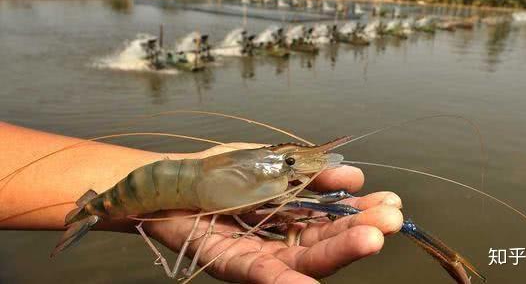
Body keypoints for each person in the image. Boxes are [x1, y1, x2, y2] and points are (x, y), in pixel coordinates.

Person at [0, 122, 404, 283]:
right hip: (146, 190)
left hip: (162, 185)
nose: (295, 167)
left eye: (289, 159)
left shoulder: (271, 171)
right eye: (289, 160)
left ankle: (92, 210)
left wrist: (289, 167)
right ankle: (91, 212)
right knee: (341, 209)